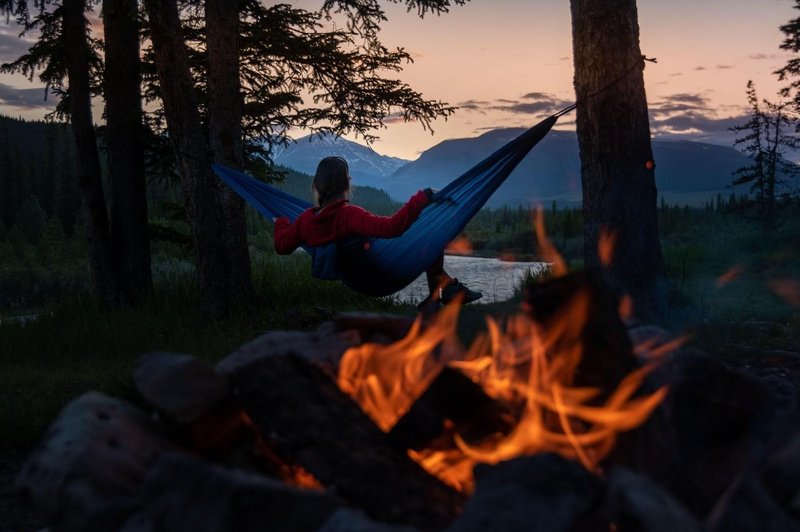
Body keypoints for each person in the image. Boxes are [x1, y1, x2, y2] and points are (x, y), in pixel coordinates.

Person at [273, 156, 482, 308]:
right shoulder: (350, 215)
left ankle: (438, 296)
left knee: (428, 238)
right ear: (347, 184)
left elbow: (282, 246)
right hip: (380, 273)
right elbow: (393, 228)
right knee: (431, 235)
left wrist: (281, 221)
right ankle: (444, 290)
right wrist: (422, 197)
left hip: (357, 280)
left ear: (316, 186)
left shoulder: (305, 222)